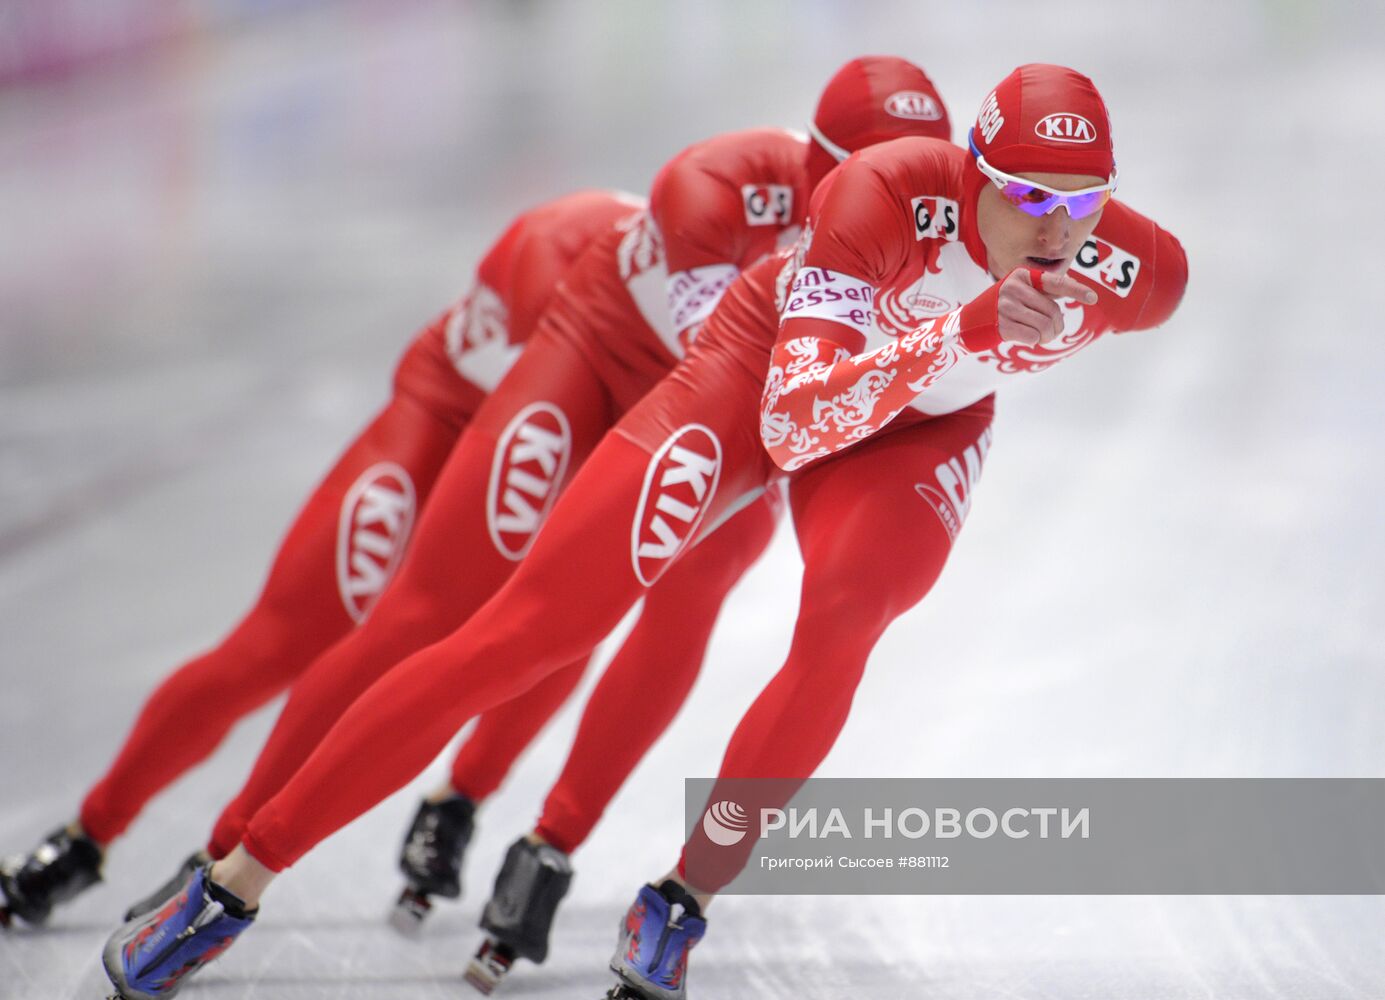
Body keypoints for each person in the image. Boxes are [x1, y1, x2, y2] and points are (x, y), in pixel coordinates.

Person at [107, 63, 1186, 1000]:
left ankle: (679, 898)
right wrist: (955, 330)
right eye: (1027, 195)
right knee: (526, 632)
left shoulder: (1126, 267)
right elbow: (796, 419)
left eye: (1081, 201)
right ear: (971, 171)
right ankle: (235, 881)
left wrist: (955, 354)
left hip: (912, 429)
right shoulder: (881, 192)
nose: (1052, 228)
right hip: (765, 376)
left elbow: (1161, 284)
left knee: (847, 620)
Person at [0, 188, 636, 929]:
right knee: (280, 643)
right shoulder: (573, 237)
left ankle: (459, 798)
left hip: (550, 452)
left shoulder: (738, 305)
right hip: (442, 419)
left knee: (558, 625)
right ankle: (91, 832)